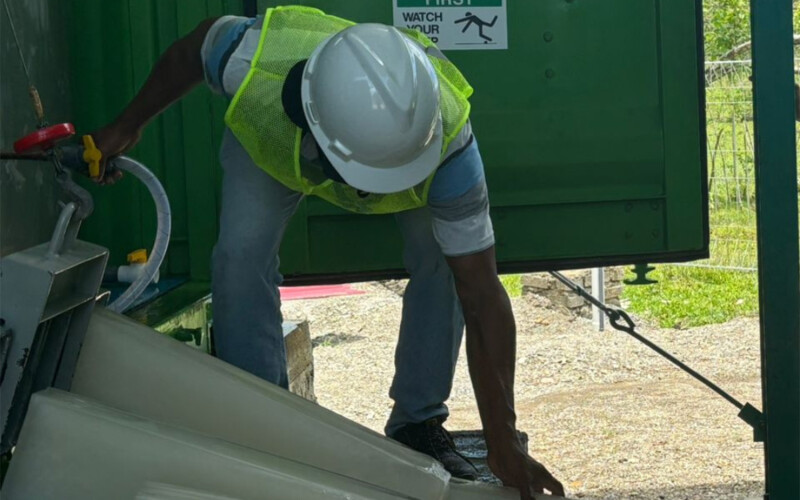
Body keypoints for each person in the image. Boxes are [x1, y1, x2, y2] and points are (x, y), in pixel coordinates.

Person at [90, 6, 564, 499]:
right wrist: (127, 124)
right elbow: (194, 47)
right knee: (239, 259)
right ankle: (263, 428)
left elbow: (482, 295)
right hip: (271, 148)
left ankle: (417, 423)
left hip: (424, 159)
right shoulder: (250, 63)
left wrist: (503, 440)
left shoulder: (445, 140)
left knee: (448, 264)